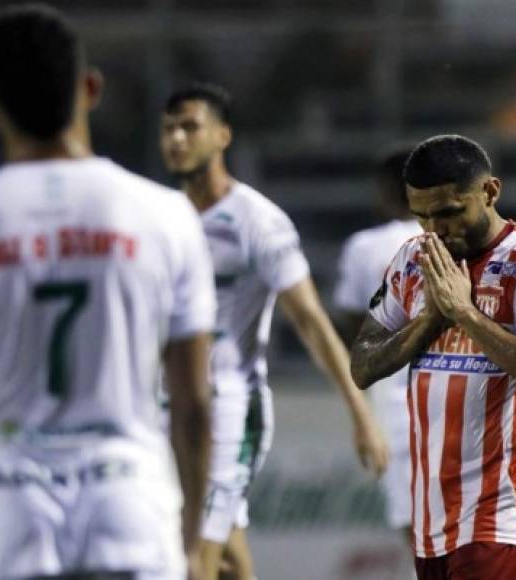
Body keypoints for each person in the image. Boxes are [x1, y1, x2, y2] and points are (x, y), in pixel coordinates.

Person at [0, 5, 214, 580]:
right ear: (91, 88)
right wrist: (195, 536)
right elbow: (194, 402)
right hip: (130, 506)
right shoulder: (166, 216)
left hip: (7, 516)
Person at [159, 82, 389, 580]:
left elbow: (310, 321)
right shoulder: (161, 219)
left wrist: (360, 413)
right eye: (169, 129)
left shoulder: (257, 221)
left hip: (229, 410)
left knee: (189, 555)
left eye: (190, 127)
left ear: (223, 136)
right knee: (227, 559)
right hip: (167, 408)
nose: (177, 139)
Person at [350, 135, 516, 580]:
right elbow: (362, 365)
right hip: (431, 516)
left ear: (490, 191)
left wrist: (464, 314)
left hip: (501, 511)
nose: (435, 229)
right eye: (422, 216)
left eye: (449, 212)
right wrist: (428, 324)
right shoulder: (413, 261)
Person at [334, 149, 420, 542]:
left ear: (385, 191)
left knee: (418, 534)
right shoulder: (458, 241)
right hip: (461, 396)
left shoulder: (364, 248)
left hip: (396, 406)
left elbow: (353, 327)